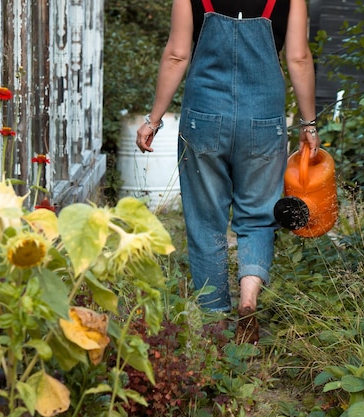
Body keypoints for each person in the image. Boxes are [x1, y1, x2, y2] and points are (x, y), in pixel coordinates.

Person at [136, 0, 319, 344]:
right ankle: (248, 299)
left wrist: (154, 119)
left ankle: (215, 325)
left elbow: (177, 55)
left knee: (206, 221)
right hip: (263, 121)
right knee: (259, 215)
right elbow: (299, 57)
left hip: (204, 117)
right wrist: (308, 123)